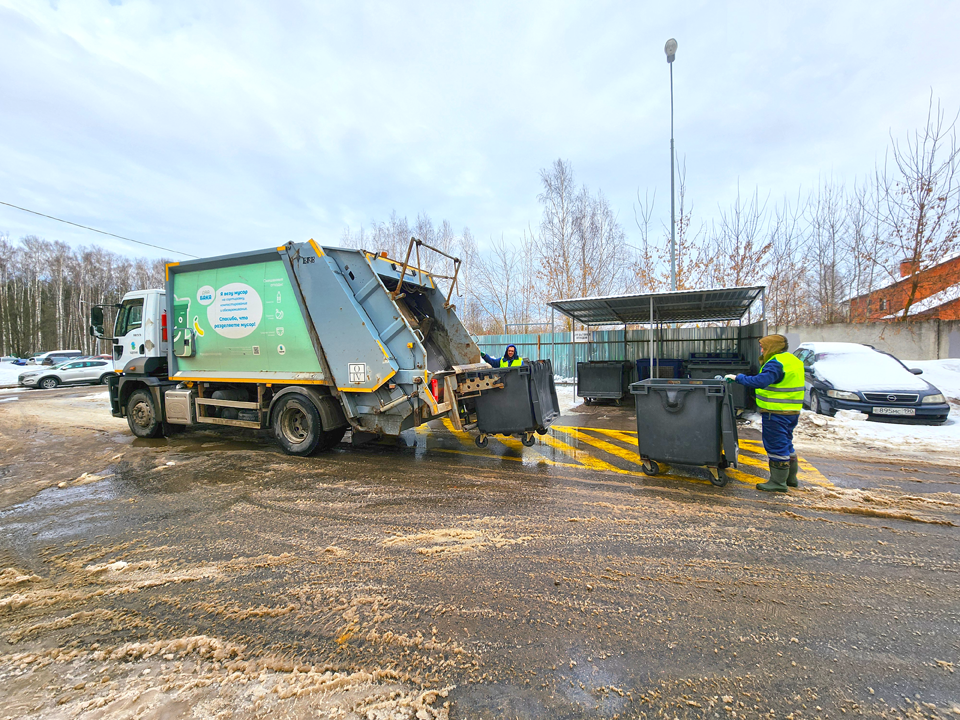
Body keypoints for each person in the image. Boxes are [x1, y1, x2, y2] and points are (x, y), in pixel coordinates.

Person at [725, 334, 803, 492]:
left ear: (772, 347)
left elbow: (760, 381)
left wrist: (737, 377)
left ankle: (778, 483)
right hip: (791, 411)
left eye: (763, 347)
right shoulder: (793, 360)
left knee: (776, 446)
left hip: (776, 413)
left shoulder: (775, 363)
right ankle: (790, 479)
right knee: (786, 444)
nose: (761, 349)